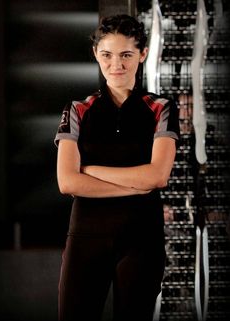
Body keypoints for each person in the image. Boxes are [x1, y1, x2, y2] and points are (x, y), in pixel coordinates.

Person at [54, 14, 180, 321]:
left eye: (126, 55)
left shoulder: (161, 108)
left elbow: (157, 176)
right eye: (107, 55)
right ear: (96, 54)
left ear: (143, 54)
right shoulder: (77, 109)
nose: (116, 65)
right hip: (85, 238)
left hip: (141, 239)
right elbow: (68, 182)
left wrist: (91, 170)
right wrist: (137, 185)